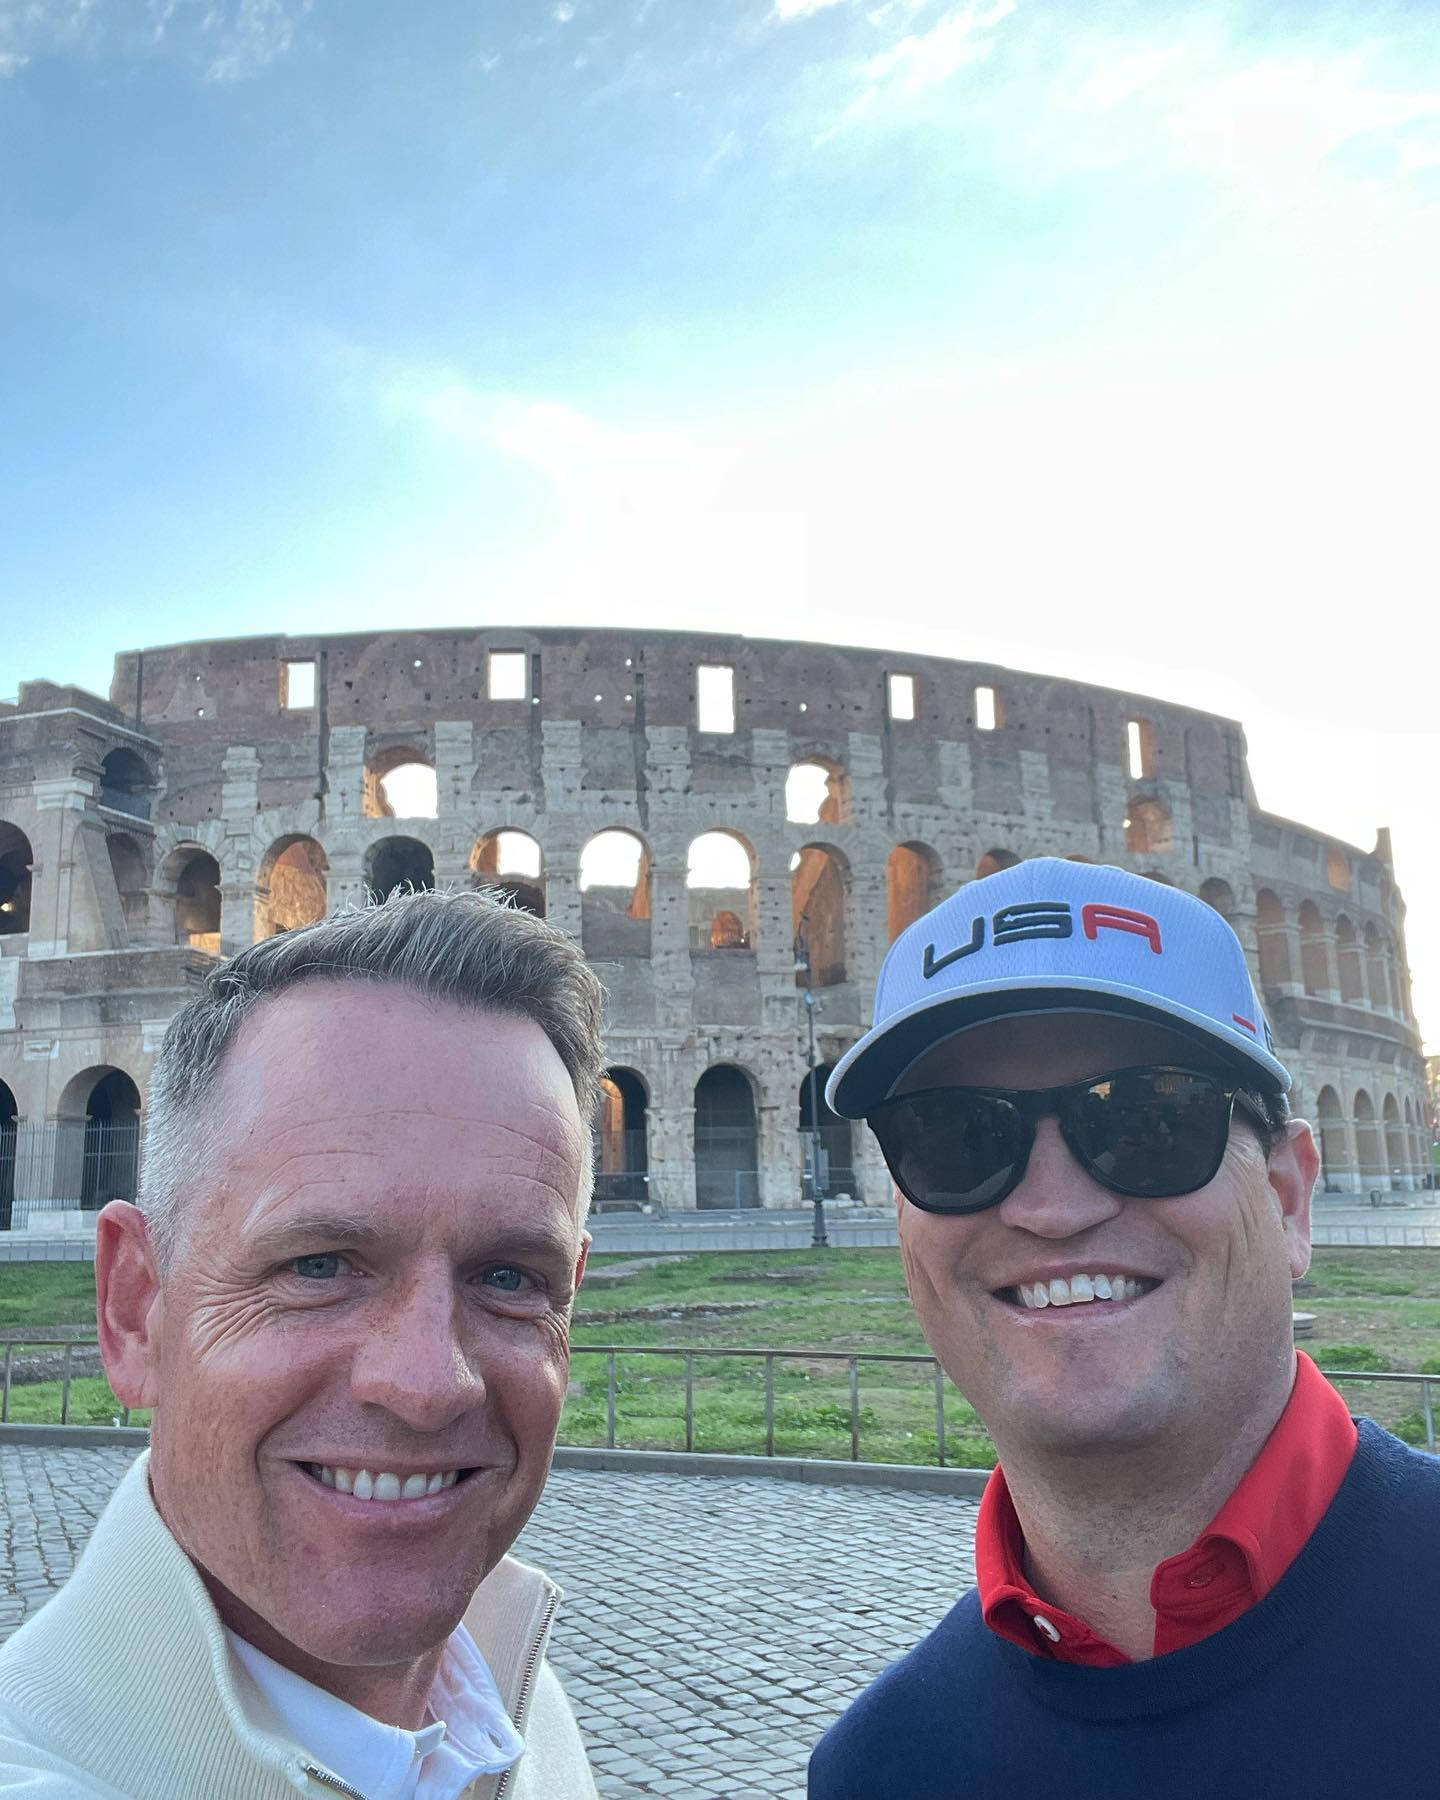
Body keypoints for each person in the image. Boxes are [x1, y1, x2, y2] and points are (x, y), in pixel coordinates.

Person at [808, 858, 1440, 1800]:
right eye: (955, 1136)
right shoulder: (882, 1768)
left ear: (1287, 1198)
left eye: (1148, 1120)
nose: (1053, 1210)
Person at [0, 891, 604, 1799]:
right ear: (135, 1310)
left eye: (509, 1278)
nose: (428, 1382)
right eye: (319, 1264)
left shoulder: (522, 1707)